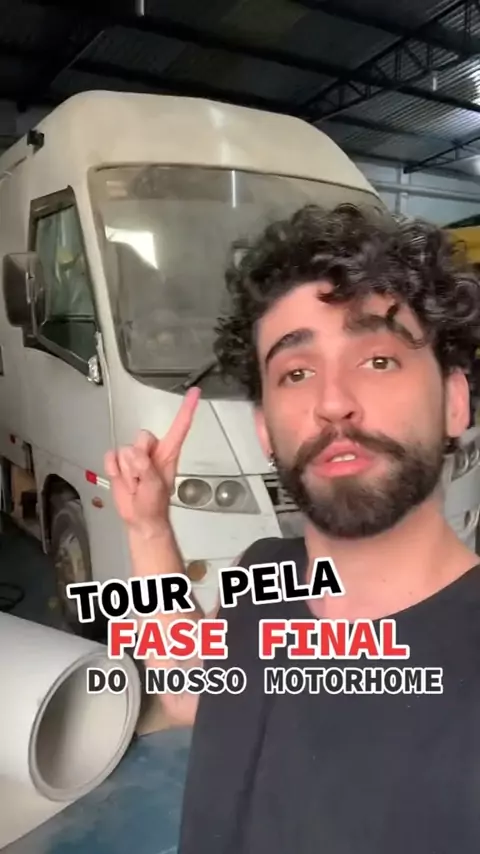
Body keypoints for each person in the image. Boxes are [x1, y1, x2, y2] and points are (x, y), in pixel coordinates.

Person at [105, 203, 480, 854]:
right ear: (265, 431)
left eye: (378, 359)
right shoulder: (263, 573)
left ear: (454, 401)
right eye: (296, 373)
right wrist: (148, 530)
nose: (332, 402)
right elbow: (192, 696)